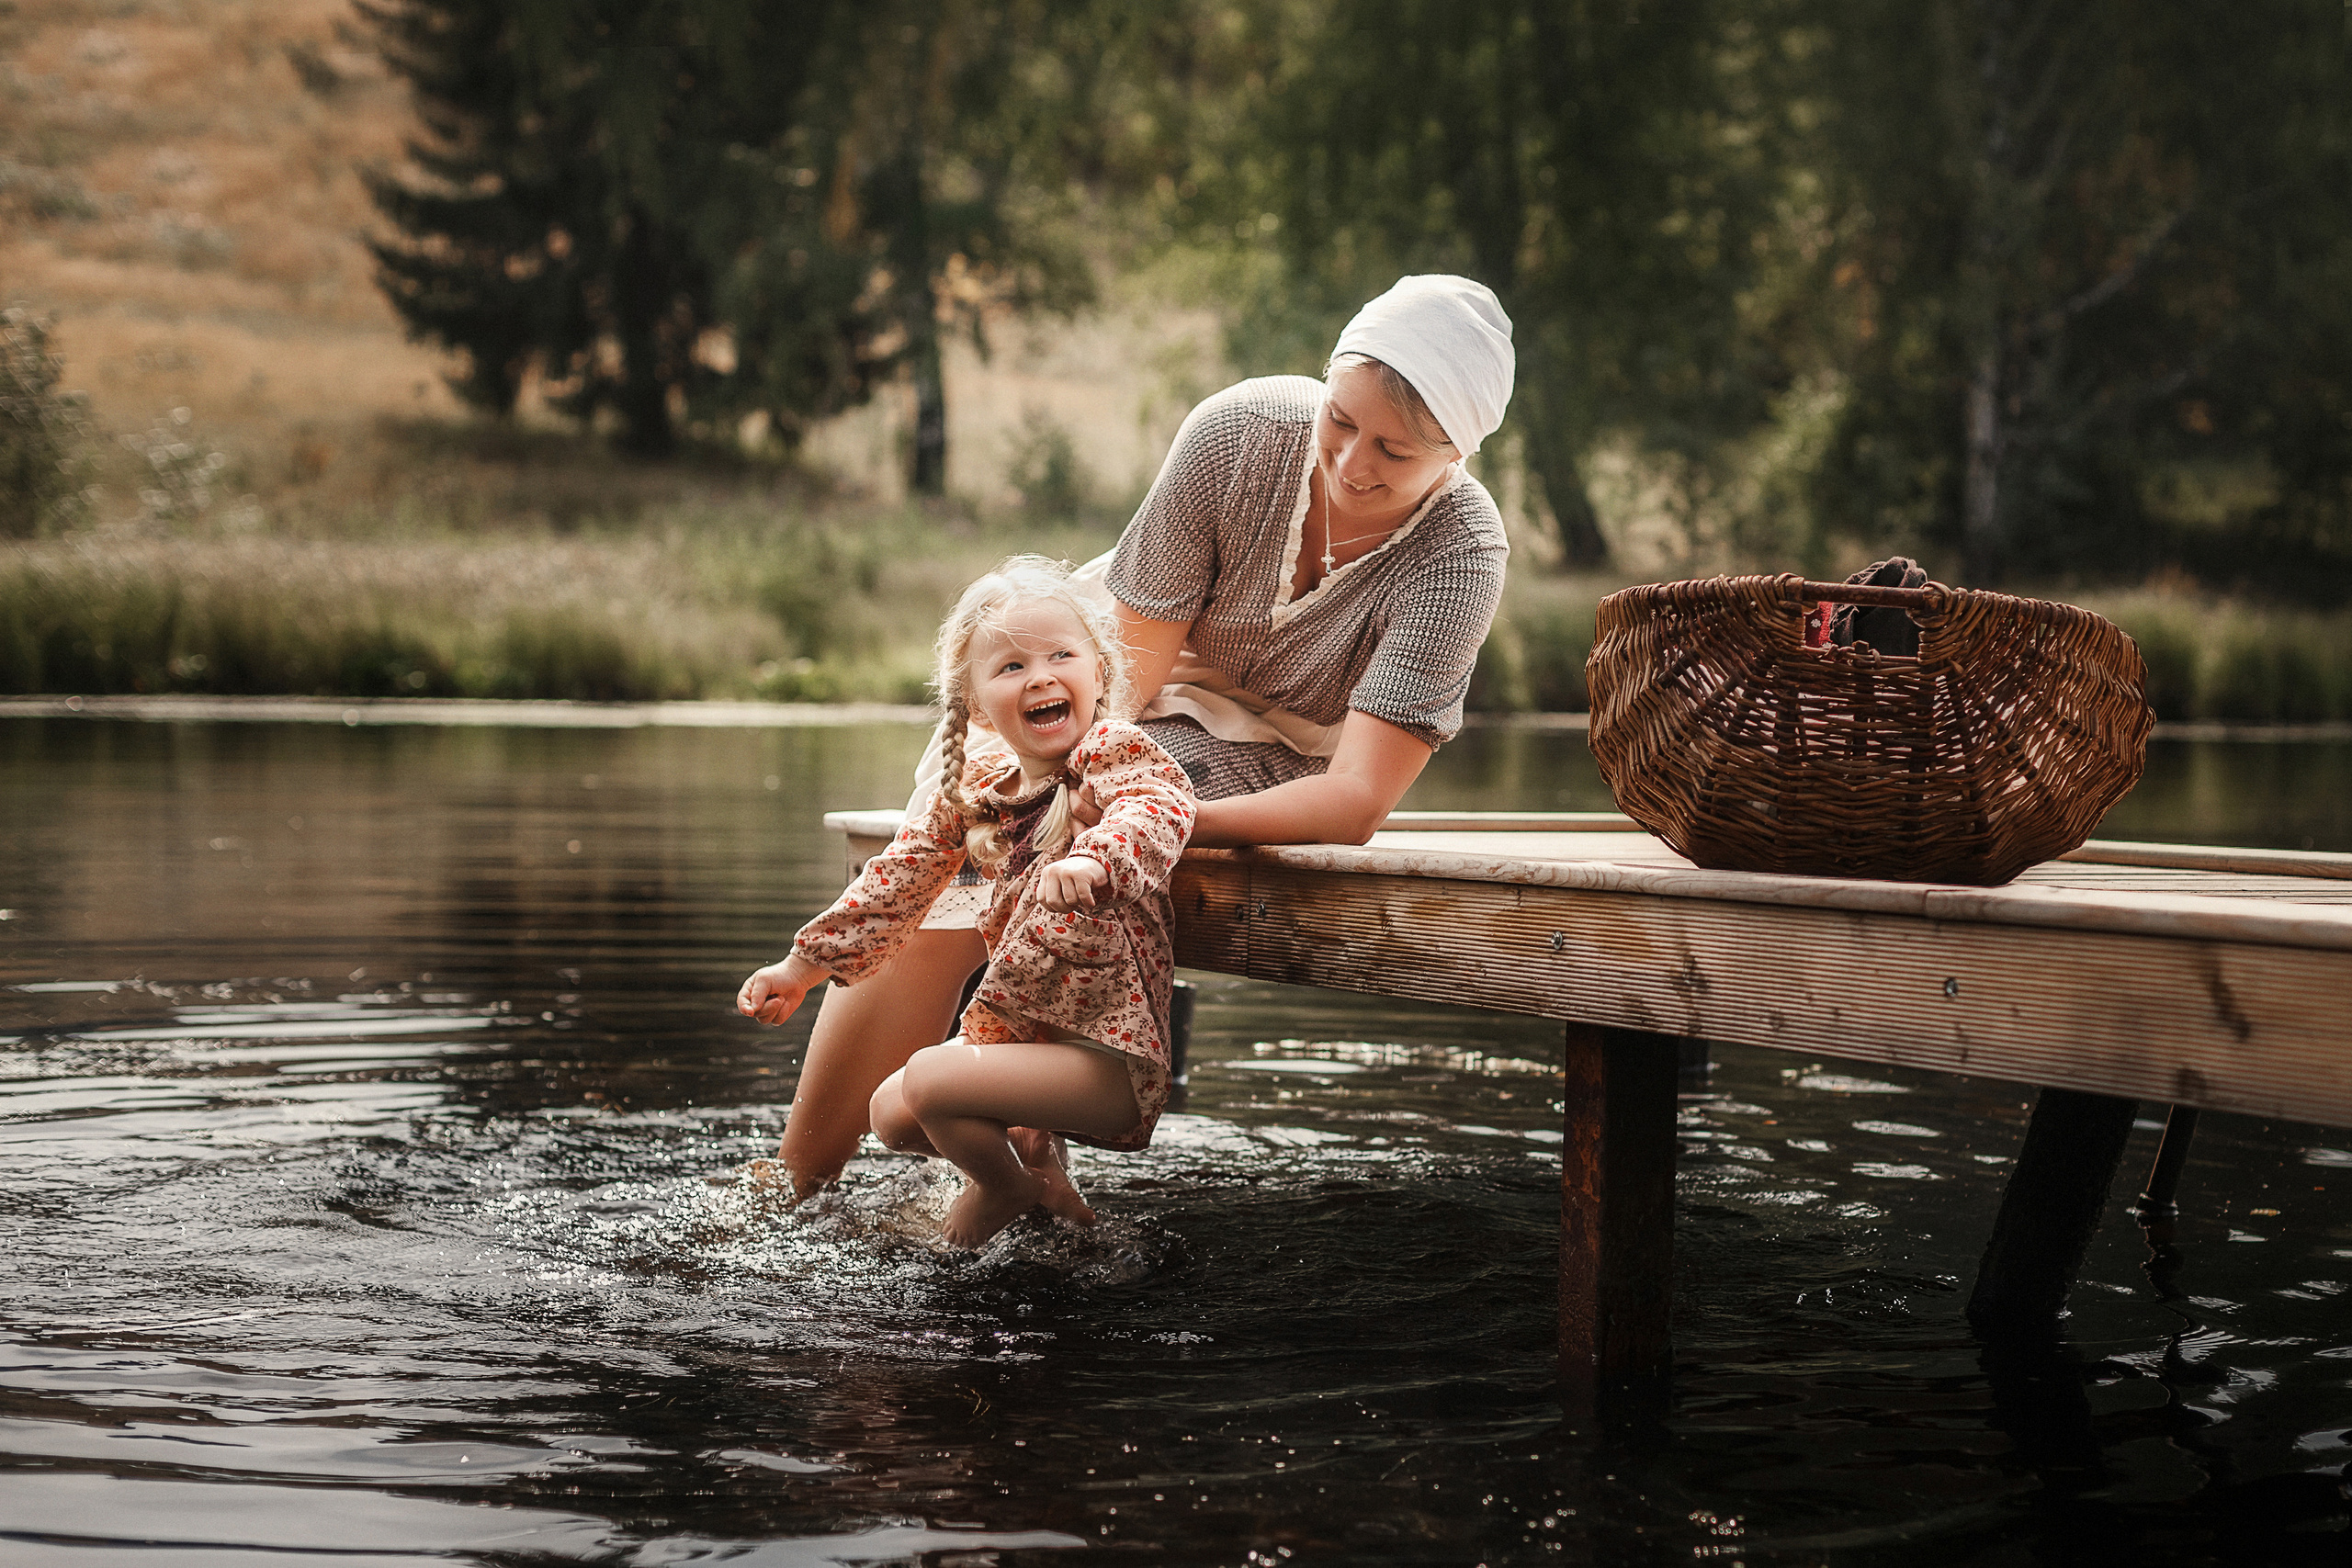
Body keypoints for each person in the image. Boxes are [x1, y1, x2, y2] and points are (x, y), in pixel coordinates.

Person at [769, 273, 1517, 1201]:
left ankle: (1014, 1148)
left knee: (1077, 829)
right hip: (1121, 684)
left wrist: (1148, 817)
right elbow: (1124, 681)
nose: (1352, 463)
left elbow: (1357, 800)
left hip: (1276, 757)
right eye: (1339, 422)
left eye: (1394, 452)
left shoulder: (1461, 551)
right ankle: (796, 1184)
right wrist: (1045, 791)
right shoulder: (1239, 433)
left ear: (1455, 454)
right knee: (969, 827)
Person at [737, 557, 1196, 1248]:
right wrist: (798, 967)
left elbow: (1159, 806)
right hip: (1027, 1049)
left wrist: (1092, 859)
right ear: (976, 703)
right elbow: (892, 886)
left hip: (1109, 1061)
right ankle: (1044, 1185)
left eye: (1061, 656)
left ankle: (1005, 1188)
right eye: (1011, 666)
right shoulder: (983, 794)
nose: (1040, 674)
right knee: (890, 1110)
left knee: (928, 1077)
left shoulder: (1113, 752)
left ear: (1098, 673)